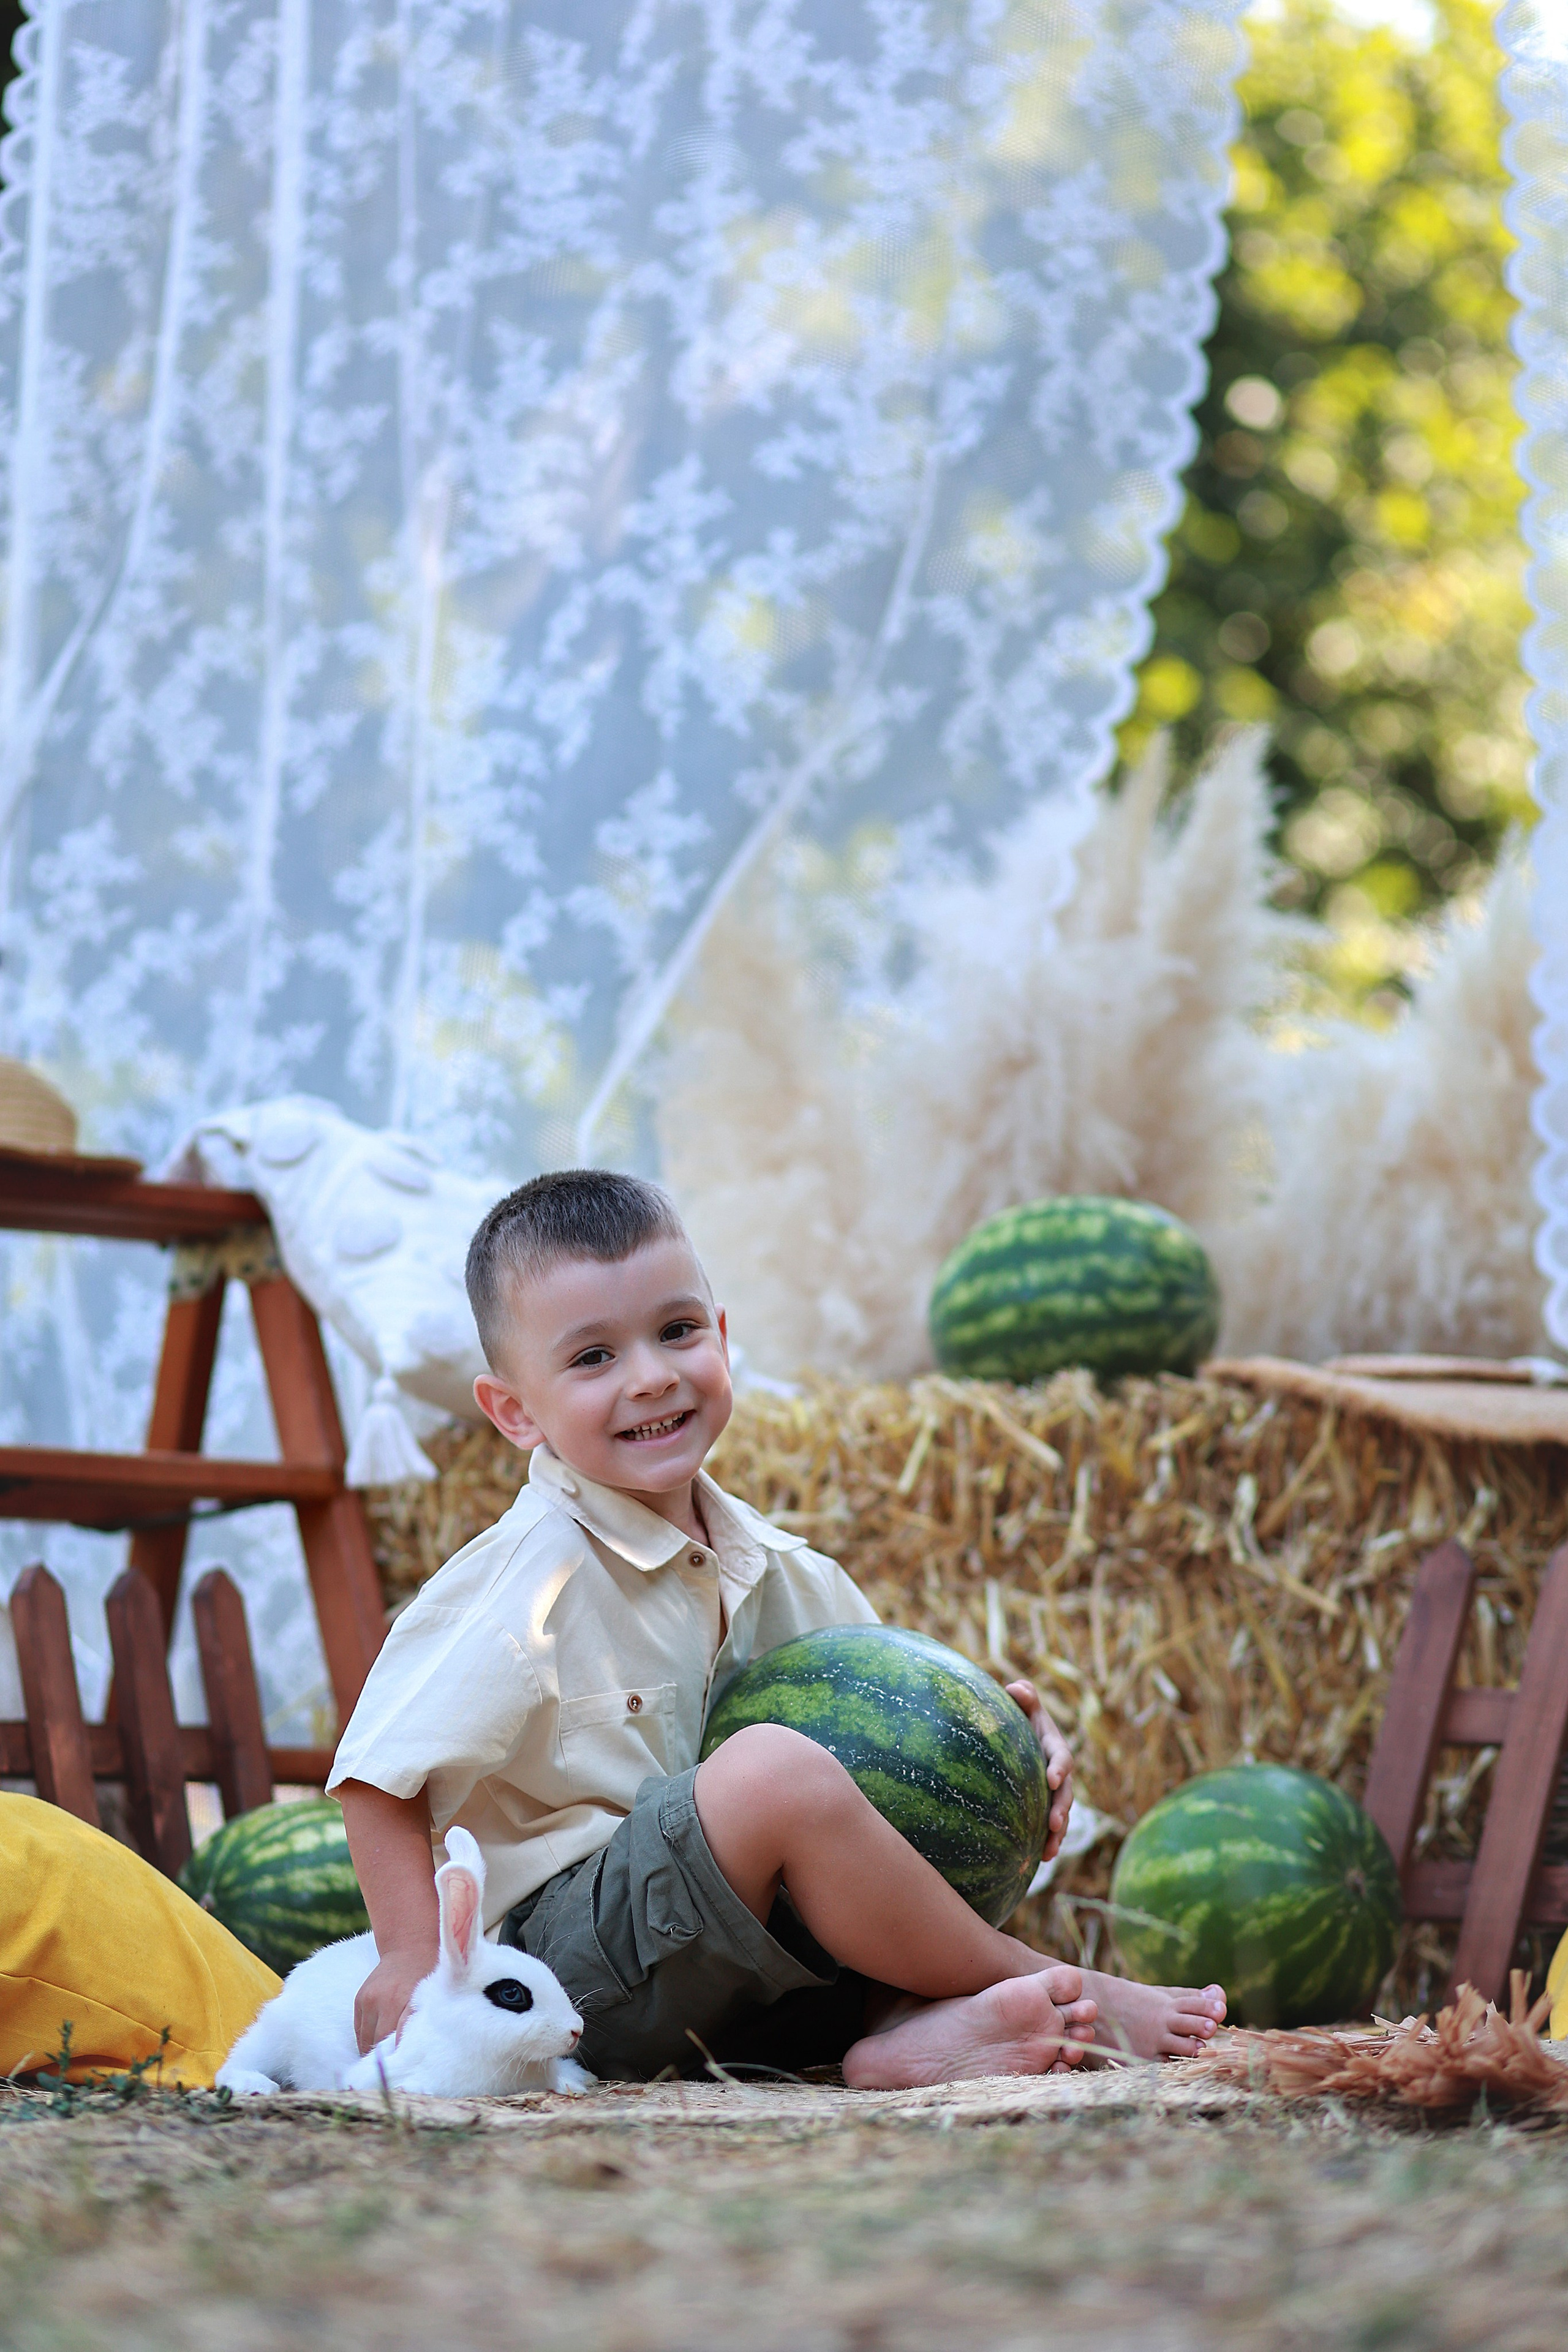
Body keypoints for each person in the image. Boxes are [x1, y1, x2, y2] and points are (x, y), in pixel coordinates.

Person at [329, 1171, 1225, 2086]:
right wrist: (407, 1957)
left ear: (721, 1336)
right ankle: (1059, 1985)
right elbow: (378, 1777)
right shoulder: (530, 1574)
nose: (651, 1376)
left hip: (751, 1994)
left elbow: (891, 1759)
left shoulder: (781, 1566)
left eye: (676, 1332)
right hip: (575, 1976)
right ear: (515, 1410)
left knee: (848, 1792)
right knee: (769, 1771)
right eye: (593, 1358)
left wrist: (1015, 1747)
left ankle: (897, 2039)